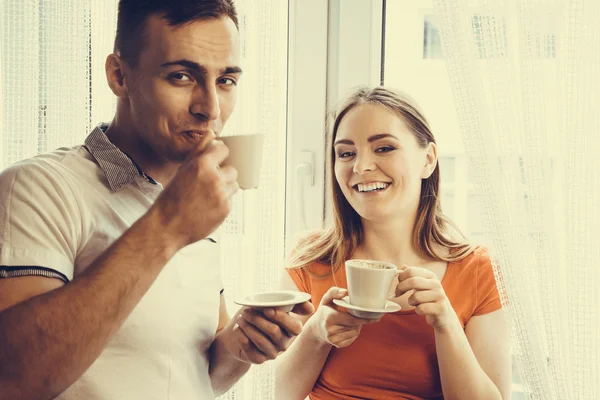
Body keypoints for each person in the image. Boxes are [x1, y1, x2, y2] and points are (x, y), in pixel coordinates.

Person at [0, 1, 312, 399]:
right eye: (181, 76)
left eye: (226, 80)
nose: (210, 109)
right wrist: (168, 226)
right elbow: (13, 380)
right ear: (119, 75)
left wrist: (243, 342)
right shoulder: (38, 188)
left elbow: (196, 372)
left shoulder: (192, 203)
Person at [274, 86, 511, 399]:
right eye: (346, 153)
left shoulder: (478, 269)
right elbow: (274, 393)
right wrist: (317, 333)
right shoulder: (309, 260)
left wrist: (445, 322)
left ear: (428, 159)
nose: (361, 167)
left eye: (383, 148)